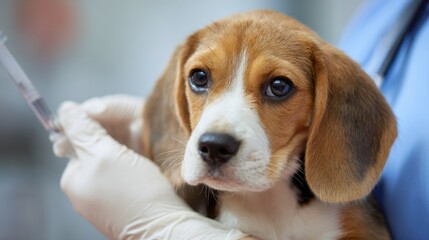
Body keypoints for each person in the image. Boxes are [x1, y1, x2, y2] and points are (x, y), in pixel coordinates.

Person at [53, 0, 429, 239]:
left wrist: (166, 231)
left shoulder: (347, 223)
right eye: (200, 78)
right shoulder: (384, 10)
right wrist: (155, 140)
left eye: (278, 87)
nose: (218, 132)